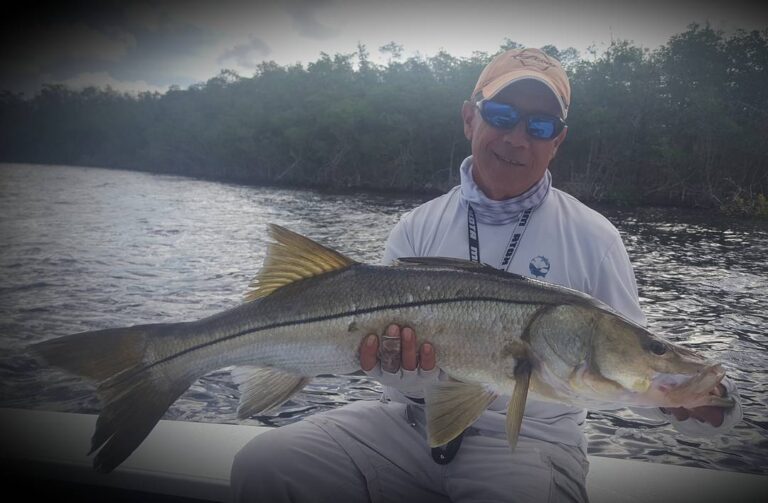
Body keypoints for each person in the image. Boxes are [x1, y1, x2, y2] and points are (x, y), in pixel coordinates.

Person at [231, 48, 742, 502]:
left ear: (557, 141)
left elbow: (628, 372)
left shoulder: (595, 237)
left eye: (540, 126)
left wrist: (696, 404)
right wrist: (395, 367)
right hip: (409, 426)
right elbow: (396, 386)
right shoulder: (418, 225)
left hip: (532, 444)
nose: (518, 138)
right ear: (470, 118)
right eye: (502, 115)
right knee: (268, 466)